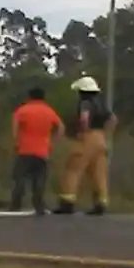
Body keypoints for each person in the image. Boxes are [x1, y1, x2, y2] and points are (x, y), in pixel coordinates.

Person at [53, 75, 118, 216]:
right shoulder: (101, 104)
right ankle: (101, 203)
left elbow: (84, 118)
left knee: (73, 169)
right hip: (100, 139)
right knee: (98, 173)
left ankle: (67, 202)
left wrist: (84, 130)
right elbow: (113, 119)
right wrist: (106, 135)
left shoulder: (85, 103)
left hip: (87, 138)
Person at [10, 86, 64, 215]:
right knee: (39, 179)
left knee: (20, 178)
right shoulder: (49, 111)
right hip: (43, 150)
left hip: (25, 149)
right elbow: (61, 127)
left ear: (30, 97)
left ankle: (16, 203)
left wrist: (16, 141)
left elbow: (15, 126)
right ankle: (39, 205)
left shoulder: (23, 110)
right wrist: (52, 142)